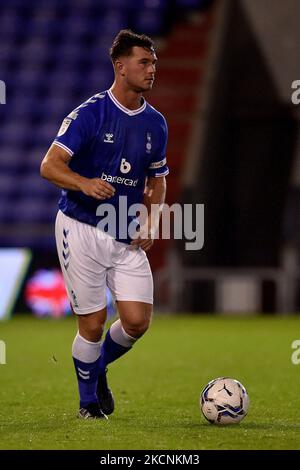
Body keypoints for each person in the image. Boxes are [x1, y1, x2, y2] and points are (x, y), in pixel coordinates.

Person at [40, 30, 169, 419]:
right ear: (120, 66)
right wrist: (83, 183)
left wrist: (151, 219)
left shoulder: (156, 124)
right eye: (143, 62)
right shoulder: (90, 113)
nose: (151, 70)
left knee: (136, 322)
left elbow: (158, 178)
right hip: (80, 228)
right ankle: (88, 405)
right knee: (93, 325)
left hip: (125, 233)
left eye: (154, 63)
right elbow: (49, 165)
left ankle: (97, 370)